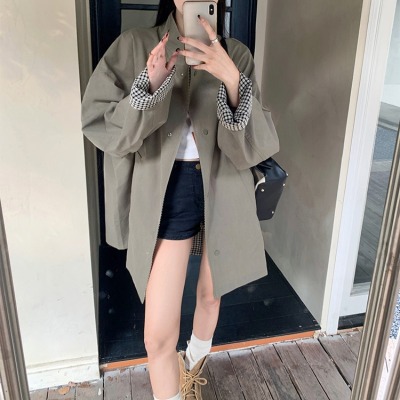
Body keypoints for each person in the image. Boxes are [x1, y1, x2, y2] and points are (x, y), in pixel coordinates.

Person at [81, 0, 279, 399]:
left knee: (210, 296)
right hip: (168, 190)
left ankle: (192, 368)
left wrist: (232, 79)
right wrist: (148, 88)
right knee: (157, 336)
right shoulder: (135, 46)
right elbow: (100, 123)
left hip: (224, 184)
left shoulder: (236, 54)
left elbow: (253, 145)